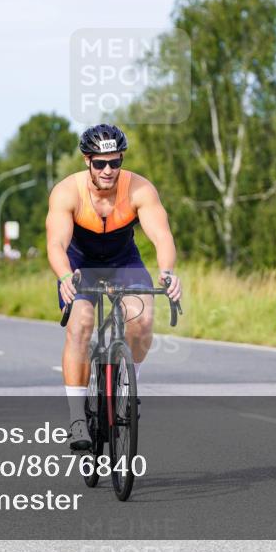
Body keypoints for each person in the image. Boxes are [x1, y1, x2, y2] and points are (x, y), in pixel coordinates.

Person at [45, 124, 181, 451]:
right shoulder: (67, 192)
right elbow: (56, 244)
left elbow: (162, 236)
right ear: (86, 161)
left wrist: (167, 272)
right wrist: (65, 276)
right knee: (81, 324)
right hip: (80, 266)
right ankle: (78, 416)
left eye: (115, 163)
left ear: (121, 160)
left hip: (123, 262)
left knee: (143, 318)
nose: (108, 170)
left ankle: (125, 385)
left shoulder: (139, 189)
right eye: (100, 163)